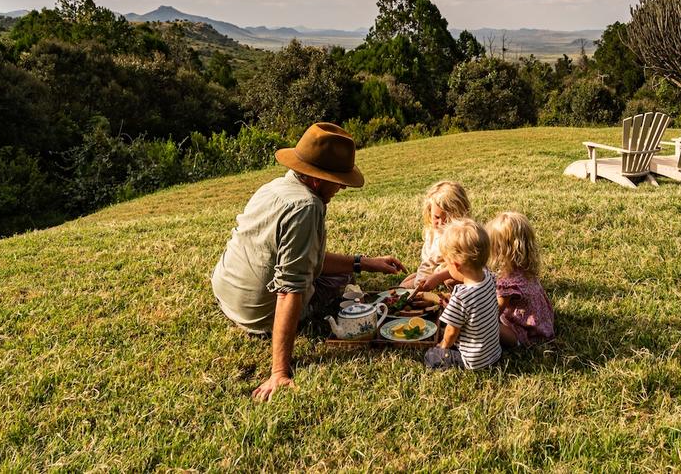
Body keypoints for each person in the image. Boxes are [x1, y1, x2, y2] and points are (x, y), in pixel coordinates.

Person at [211, 122, 405, 401]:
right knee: (340, 283)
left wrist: (364, 262)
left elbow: (302, 259)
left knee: (343, 273)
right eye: (338, 180)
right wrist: (279, 372)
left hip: (227, 296)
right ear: (317, 179)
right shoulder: (307, 206)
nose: (342, 187)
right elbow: (289, 289)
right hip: (259, 315)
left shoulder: (275, 187)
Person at [423, 219, 502, 371]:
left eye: (447, 264)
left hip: (474, 361)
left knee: (431, 356)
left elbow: (451, 332)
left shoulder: (461, 296)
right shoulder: (489, 277)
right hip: (494, 353)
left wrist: (443, 345)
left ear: (456, 265)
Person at [486, 211, 555, 347]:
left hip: (526, 333)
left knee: (486, 325)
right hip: (543, 325)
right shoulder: (525, 269)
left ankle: (518, 342)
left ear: (500, 250)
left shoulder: (508, 284)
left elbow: (493, 314)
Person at [400, 180, 471, 292]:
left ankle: (448, 294)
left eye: (448, 218)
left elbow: (465, 266)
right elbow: (428, 262)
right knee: (405, 285)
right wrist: (420, 282)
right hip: (435, 272)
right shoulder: (432, 233)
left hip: (455, 273)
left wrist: (438, 277)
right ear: (430, 212)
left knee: (449, 281)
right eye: (436, 217)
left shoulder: (464, 235)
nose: (441, 223)